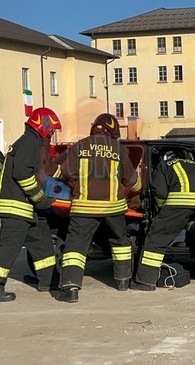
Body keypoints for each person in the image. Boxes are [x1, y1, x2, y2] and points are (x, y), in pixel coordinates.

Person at [0, 107, 62, 302]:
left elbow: (39, 171)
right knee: (7, 250)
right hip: (16, 207)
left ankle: (49, 281)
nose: (51, 134)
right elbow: (23, 174)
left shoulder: (30, 142)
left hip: (26, 207)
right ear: (43, 125)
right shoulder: (31, 142)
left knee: (42, 244)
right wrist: (41, 199)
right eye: (51, 130)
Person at [57, 113, 141, 303]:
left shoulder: (80, 146)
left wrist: (77, 185)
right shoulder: (119, 150)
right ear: (112, 131)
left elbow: (66, 172)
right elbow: (132, 180)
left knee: (75, 247)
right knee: (120, 242)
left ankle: (70, 288)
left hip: (84, 208)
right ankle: (123, 282)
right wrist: (136, 191)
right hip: (113, 208)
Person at [130, 149, 195, 291]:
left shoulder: (164, 165)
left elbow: (159, 191)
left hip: (181, 200)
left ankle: (145, 281)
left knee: (156, 238)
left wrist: (161, 212)